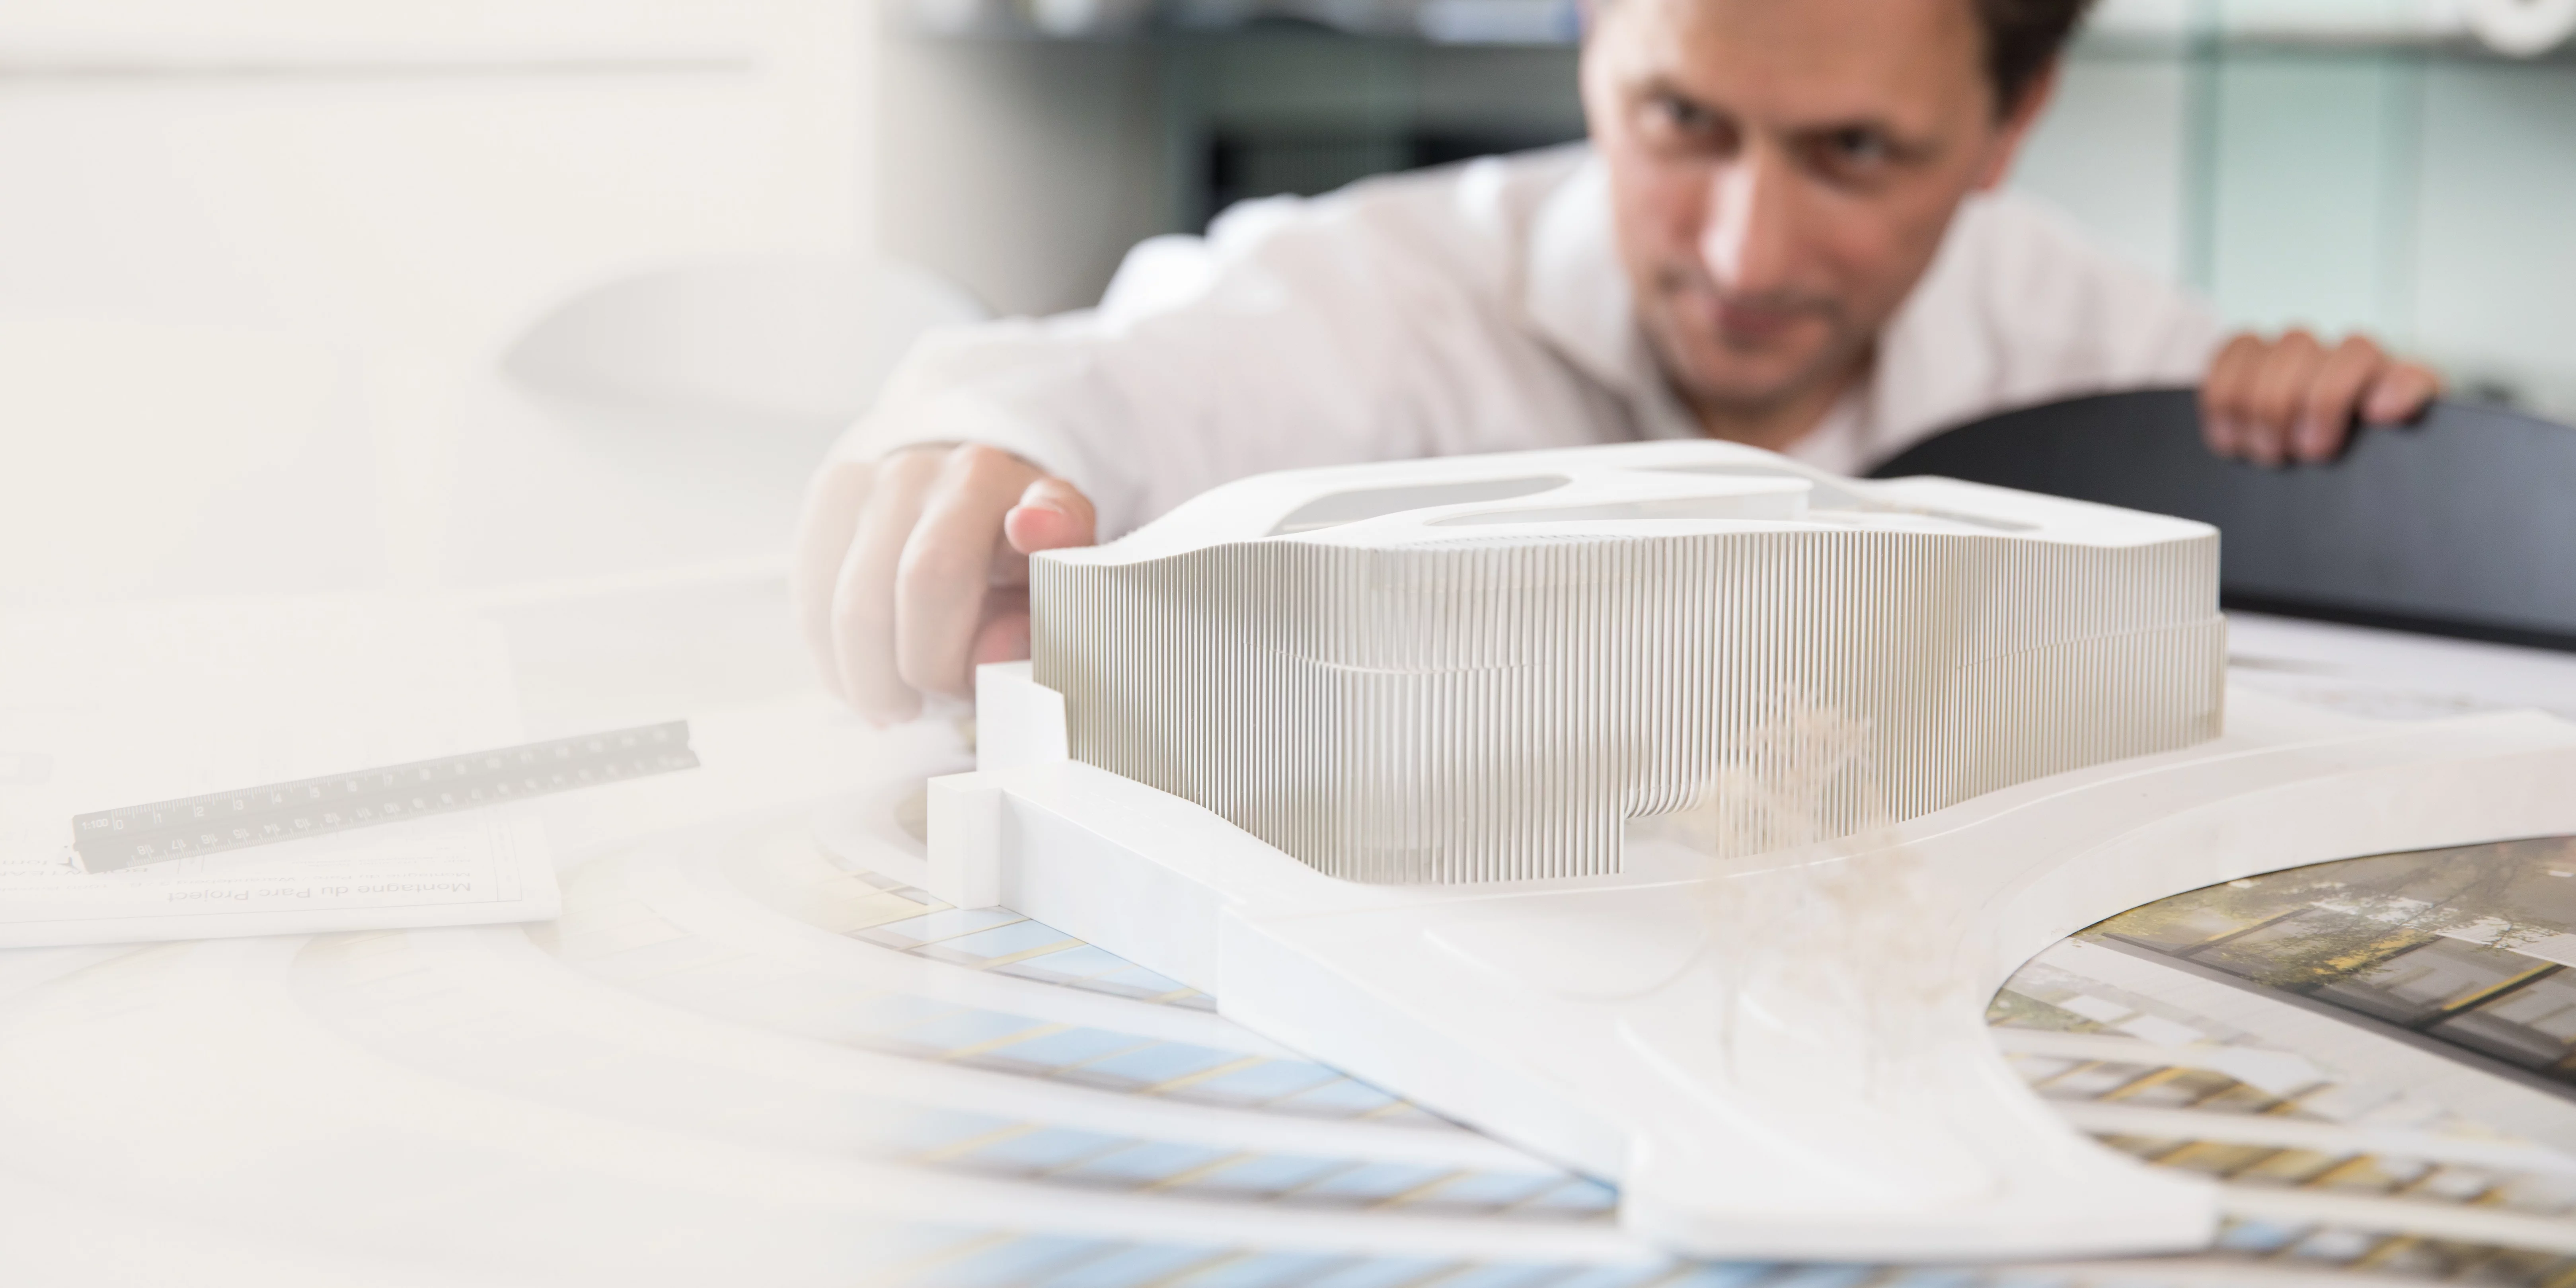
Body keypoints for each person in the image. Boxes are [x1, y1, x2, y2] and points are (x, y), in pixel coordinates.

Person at [799, 0, 2442, 726]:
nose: (1740, 254)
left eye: (1855, 152)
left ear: (2009, 126)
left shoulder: (2093, 342)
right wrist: (979, 447)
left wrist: (2337, 421)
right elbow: (1115, 378)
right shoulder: (1398, 292)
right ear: (1595, 38)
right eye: (1682, 121)